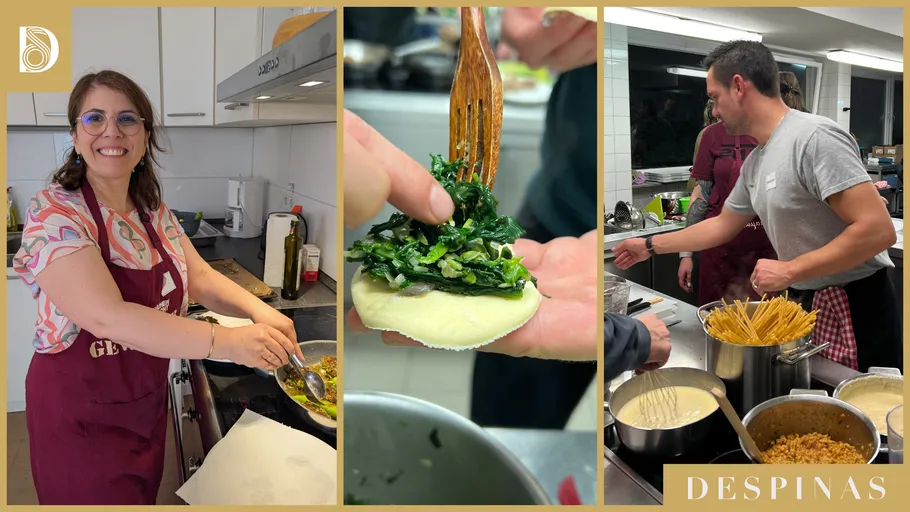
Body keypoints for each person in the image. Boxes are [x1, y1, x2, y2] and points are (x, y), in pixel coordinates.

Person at [12, 70, 303, 505]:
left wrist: (263, 312)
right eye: (94, 118)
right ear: (75, 134)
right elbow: (106, 316)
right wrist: (226, 342)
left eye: (127, 118)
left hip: (141, 402)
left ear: (145, 135)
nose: (112, 131)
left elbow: (199, 277)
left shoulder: (149, 208)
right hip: (80, 415)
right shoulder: (53, 213)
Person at [613, 41, 900, 373]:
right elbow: (721, 225)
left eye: (714, 97)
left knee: (867, 411)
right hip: (808, 301)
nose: (714, 111)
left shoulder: (814, 137)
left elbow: (877, 231)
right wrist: (648, 245)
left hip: (856, 304)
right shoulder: (759, 159)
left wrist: (791, 269)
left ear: (738, 86)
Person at [344, 107, 672, 375]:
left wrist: (630, 339)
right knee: (507, 384)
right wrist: (632, 338)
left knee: (539, 383)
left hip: (564, 230)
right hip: (548, 209)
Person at [677, 88, 771, 306]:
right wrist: (686, 254)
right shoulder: (711, 135)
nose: (716, 111)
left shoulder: (770, 132)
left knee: (765, 324)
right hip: (719, 250)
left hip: (765, 250)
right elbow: (701, 195)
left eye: (719, 101)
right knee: (717, 320)